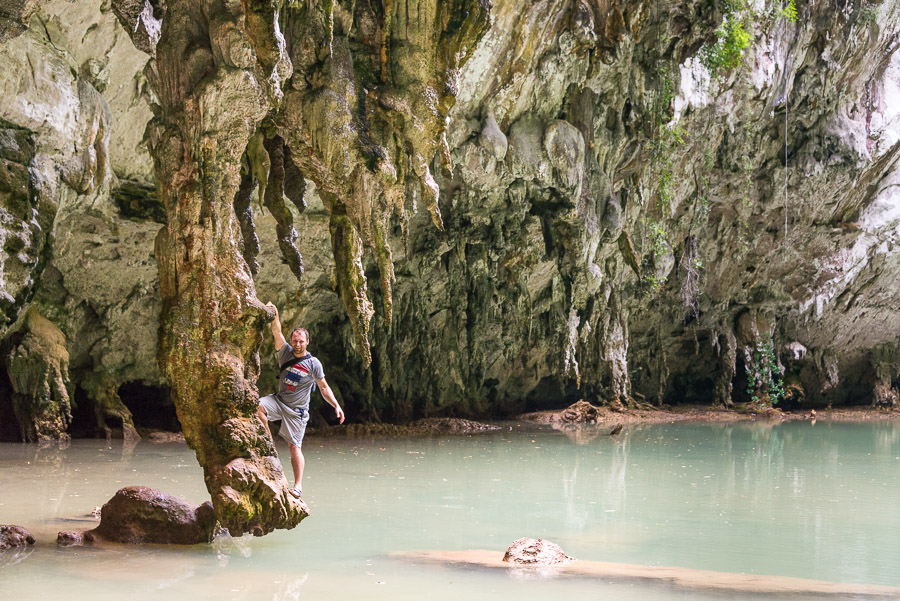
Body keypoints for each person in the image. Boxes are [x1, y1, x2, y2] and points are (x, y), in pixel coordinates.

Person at [258, 302, 345, 499]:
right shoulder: (285, 353)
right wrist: (275, 314)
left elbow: (323, 387)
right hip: (279, 401)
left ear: (307, 342)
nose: (297, 344)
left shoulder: (313, 364)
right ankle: (268, 444)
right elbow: (276, 332)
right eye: (295, 341)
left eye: (301, 342)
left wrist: (336, 405)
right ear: (292, 341)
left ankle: (298, 486)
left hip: (297, 411)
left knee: (294, 447)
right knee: (257, 407)